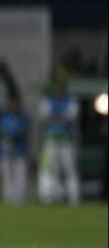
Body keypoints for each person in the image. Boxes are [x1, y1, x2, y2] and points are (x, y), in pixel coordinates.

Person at [37, 75, 80, 205]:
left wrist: (54, 116)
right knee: (49, 168)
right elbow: (43, 116)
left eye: (61, 87)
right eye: (56, 87)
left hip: (66, 141)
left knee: (69, 168)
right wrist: (60, 116)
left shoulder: (71, 101)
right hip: (50, 141)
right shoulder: (48, 100)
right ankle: (50, 196)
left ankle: (73, 197)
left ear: (64, 88)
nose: (58, 89)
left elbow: (71, 116)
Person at [0, 93, 29, 204]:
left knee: (20, 175)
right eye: (12, 104)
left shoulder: (22, 117)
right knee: (7, 175)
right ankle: (8, 198)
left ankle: (20, 198)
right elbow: (2, 131)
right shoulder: (4, 117)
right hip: (6, 150)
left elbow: (21, 131)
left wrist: (12, 134)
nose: (14, 107)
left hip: (20, 150)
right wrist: (10, 134)